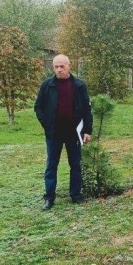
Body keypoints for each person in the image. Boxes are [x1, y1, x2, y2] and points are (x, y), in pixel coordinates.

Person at [34, 54, 93, 209]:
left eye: (62, 66)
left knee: (75, 165)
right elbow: (38, 107)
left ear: (69, 66)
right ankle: (49, 198)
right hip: (54, 133)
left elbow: (87, 109)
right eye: (56, 67)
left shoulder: (79, 85)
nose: (59, 70)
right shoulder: (47, 85)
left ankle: (76, 195)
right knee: (51, 166)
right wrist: (47, 124)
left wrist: (87, 130)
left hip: (74, 133)